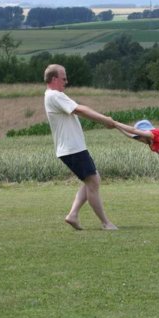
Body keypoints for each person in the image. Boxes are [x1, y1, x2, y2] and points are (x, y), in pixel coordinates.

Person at [44, 64, 118, 231]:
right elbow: (79, 109)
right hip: (72, 149)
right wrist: (104, 119)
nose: (66, 81)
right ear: (54, 79)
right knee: (93, 183)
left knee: (93, 180)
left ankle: (73, 215)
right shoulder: (55, 95)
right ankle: (106, 223)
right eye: (64, 78)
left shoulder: (53, 96)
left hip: (72, 148)